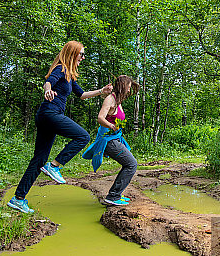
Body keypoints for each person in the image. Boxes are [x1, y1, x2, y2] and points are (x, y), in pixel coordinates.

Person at [8, 41, 113, 214]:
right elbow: (48, 82)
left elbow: (82, 95)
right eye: (81, 54)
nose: (83, 57)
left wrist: (101, 91)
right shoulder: (61, 68)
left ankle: (18, 199)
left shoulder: (69, 75)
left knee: (39, 160)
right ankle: (55, 165)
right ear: (72, 54)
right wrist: (47, 91)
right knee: (83, 137)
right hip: (51, 113)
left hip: (46, 117)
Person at [82, 75, 139, 206]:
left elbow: (133, 91)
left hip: (115, 139)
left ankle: (115, 194)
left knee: (129, 164)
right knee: (131, 164)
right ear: (123, 86)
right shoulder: (110, 100)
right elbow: (100, 118)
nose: (129, 90)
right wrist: (112, 126)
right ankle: (113, 196)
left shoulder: (118, 100)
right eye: (128, 87)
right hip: (108, 140)